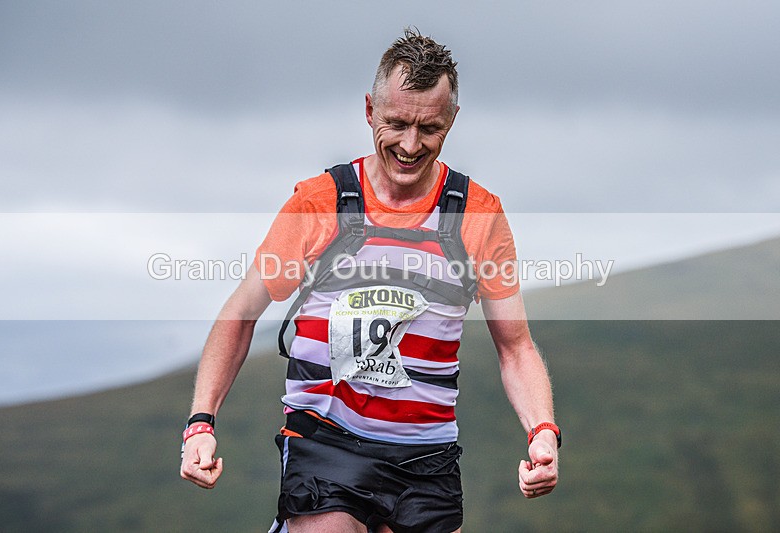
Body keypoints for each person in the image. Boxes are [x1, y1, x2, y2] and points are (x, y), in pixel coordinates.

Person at [180, 28, 560, 533]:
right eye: (396, 123)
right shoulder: (321, 202)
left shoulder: (477, 215)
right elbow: (242, 310)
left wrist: (543, 433)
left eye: (429, 128)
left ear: (452, 120)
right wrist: (200, 424)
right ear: (368, 111)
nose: (410, 145)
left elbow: (515, 347)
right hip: (327, 439)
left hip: (427, 456)